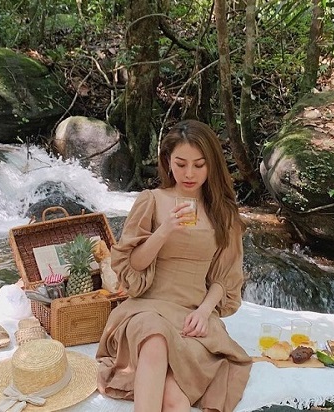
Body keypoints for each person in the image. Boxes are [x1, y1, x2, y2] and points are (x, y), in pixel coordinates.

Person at [96, 119, 252, 412]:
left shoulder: (224, 214)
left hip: (191, 315)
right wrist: (164, 230)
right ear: (168, 161)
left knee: (175, 401)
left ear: (212, 165)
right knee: (154, 336)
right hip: (147, 308)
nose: (189, 173)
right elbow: (132, 265)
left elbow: (225, 277)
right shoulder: (152, 200)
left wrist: (204, 312)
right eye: (181, 164)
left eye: (199, 165)